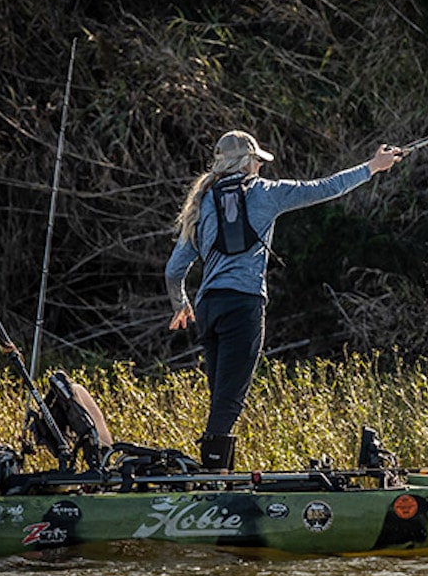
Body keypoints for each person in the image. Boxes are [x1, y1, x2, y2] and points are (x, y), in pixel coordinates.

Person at [165, 130, 403, 469]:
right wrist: (372, 167)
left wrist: (180, 304)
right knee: (228, 401)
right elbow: (325, 188)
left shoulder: (201, 203)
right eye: (258, 162)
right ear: (248, 162)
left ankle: (214, 473)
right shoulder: (266, 193)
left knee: (221, 396)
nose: (260, 168)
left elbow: (174, 269)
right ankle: (212, 478)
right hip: (242, 306)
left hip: (207, 308)